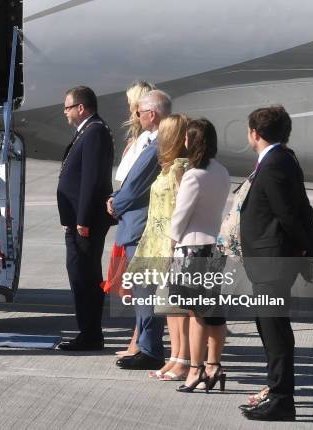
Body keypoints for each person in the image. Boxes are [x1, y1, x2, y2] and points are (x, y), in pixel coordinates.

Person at [239, 105, 313, 421]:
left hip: (272, 262)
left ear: (255, 133)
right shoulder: (280, 158)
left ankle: (282, 399)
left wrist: (306, 251)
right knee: (269, 326)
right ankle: (275, 390)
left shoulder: (275, 164)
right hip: (268, 261)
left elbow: (290, 214)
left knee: (275, 330)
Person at [166, 119, 231, 392]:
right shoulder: (222, 172)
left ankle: (195, 369)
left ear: (191, 142)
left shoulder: (194, 175)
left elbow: (181, 216)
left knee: (195, 313)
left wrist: (170, 244)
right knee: (214, 312)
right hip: (214, 247)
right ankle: (214, 365)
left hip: (192, 249)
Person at [108, 90, 170, 370]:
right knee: (145, 292)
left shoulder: (157, 145)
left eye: (139, 112)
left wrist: (113, 203)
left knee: (145, 292)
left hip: (141, 227)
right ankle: (147, 346)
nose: (136, 117)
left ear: (152, 114)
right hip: (144, 224)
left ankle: (150, 350)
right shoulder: (161, 142)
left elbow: (134, 188)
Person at [126, 114, 190, 378]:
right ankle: (173, 357)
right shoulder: (167, 166)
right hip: (153, 239)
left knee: (174, 305)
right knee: (161, 303)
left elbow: (180, 210)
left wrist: (172, 247)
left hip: (166, 243)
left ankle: (181, 358)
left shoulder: (180, 168)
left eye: (164, 133)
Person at [57, 86, 114, 351]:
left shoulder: (94, 132)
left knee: (84, 276)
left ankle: (90, 333)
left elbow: (91, 180)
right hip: (79, 220)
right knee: (80, 274)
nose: (65, 112)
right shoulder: (87, 132)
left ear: (81, 108)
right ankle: (88, 331)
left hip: (86, 222)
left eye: (68, 107)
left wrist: (82, 219)